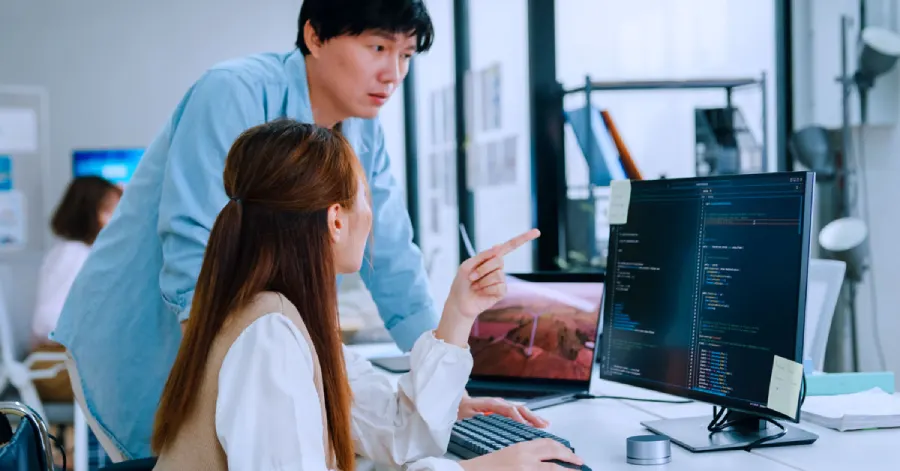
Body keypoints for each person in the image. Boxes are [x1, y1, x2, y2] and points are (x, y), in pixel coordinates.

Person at [52, 0, 544, 461]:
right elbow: (190, 253)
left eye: (406, 55)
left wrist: (447, 392)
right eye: (377, 48)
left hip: (254, 336)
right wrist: (233, 366)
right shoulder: (232, 92)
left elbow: (392, 255)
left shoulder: (361, 127)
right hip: (143, 339)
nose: (393, 73)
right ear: (313, 35)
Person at [150, 119, 582, 470]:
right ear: (336, 220)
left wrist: (460, 311)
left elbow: (399, 430)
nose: (371, 216)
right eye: (366, 198)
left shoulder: (277, 317)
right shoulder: (270, 337)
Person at [30, 176, 121, 401]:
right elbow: (46, 321)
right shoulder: (74, 254)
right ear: (88, 214)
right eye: (110, 211)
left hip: (58, 364)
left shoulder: (67, 251)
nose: (118, 221)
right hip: (56, 368)